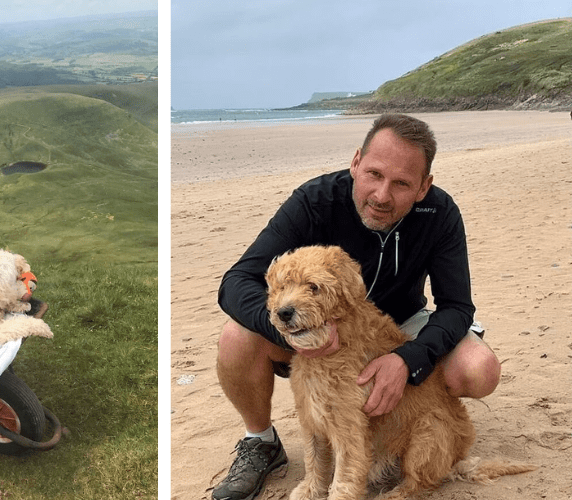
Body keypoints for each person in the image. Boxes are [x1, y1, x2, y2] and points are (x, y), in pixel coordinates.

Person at [211, 114, 501, 500]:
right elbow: (236, 282)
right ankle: (261, 441)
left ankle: (406, 428)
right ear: (356, 162)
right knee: (235, 338)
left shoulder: (440, 213)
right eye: (374, 175)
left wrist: (408, 358)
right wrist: (290, 333)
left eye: (401, 184)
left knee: (479, 369)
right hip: (316, 324)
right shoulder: (315, 201)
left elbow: (457, 307)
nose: (382, 195)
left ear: (423, 187)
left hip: (402, 324)